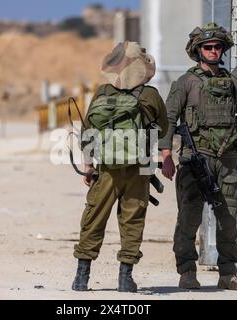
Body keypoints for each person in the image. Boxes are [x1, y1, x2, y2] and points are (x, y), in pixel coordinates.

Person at [158, 23, 237, 290]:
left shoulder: (232, 82)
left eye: (217, 47)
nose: (214, 51)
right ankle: (187, 272)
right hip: (195, 159)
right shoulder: (186, 82)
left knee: (228, 220)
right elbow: (168, 118)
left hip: (227, 160)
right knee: (189, 218)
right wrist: (166, 154)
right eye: (208, 47)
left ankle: (227, 274)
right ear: (198, 50)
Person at [72, 41, 168, 292]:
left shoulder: (102, 92)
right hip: (141, 167)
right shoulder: (150, 95)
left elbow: (87, 132)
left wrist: (89, 165)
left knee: (94, 218)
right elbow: (165, 129)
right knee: (132, 220)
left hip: (106, 169)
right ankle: (125, 279)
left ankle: (81, 278)